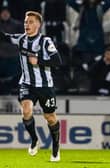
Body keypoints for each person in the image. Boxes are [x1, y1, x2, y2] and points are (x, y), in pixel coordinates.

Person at [0, 11, 62, 161]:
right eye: (26, 22)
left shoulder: (46, 41)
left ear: (38, 25)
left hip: (45, 86)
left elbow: (58, 62)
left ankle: (55, 146)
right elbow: (4, 37)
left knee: (50, 117)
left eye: (31, 22)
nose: (27, 24)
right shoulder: (21, 39)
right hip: (27, 83)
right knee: (26, 111)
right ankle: (34, 140)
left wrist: (39, 60)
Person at [67, 0, 110, 68]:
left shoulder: (100, 9)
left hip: (98, 43)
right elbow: (70, 2)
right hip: (84, 44)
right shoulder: (82, 8)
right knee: (86, 66)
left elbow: (109, 3)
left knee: (96, 67)